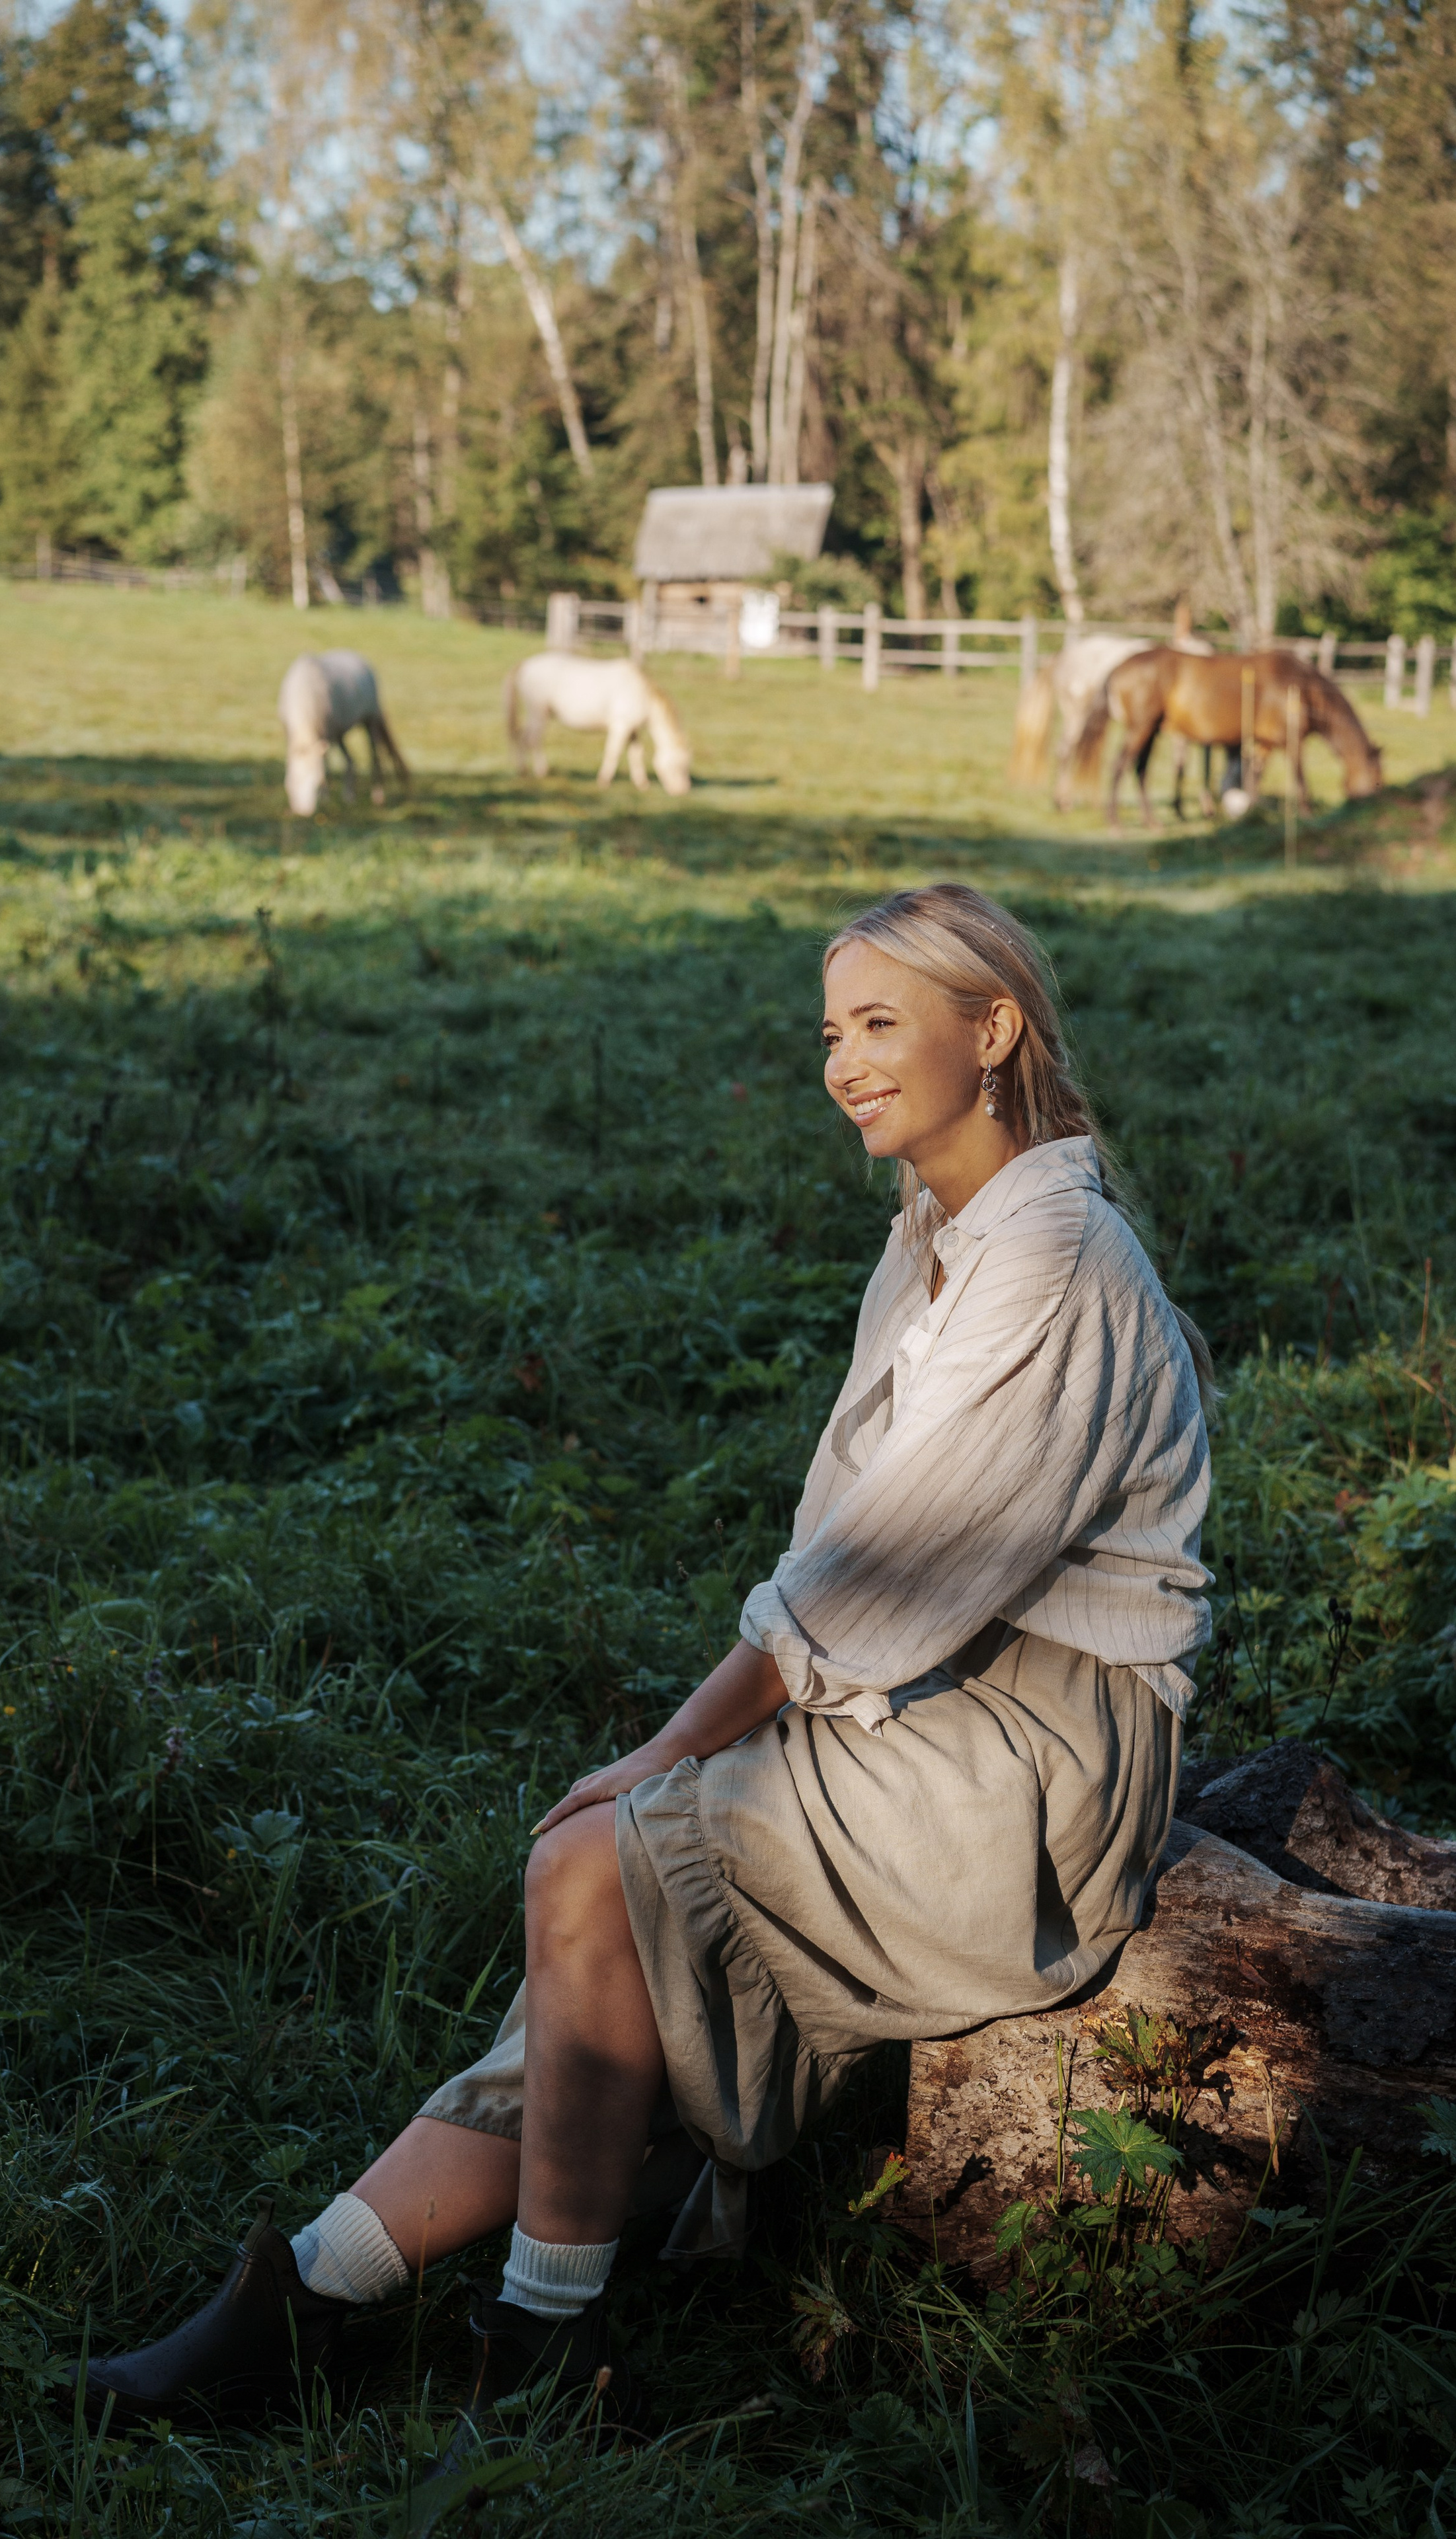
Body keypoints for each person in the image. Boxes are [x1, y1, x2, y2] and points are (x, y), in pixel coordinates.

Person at [69, 882, 1213, 2439]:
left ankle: (546, 2348)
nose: (844, 1062)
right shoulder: (941, 1234)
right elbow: (848, 1562)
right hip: (931, 1712)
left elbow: (873, 1578)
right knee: (596, 1920)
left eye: (881, 1024)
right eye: (831, 1030)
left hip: (1036, 1769)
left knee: (596, 1866)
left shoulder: (1052, 1257)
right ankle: (321, 2290)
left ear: (991, 1029)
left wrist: (664, 1753)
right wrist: (693, 1755)